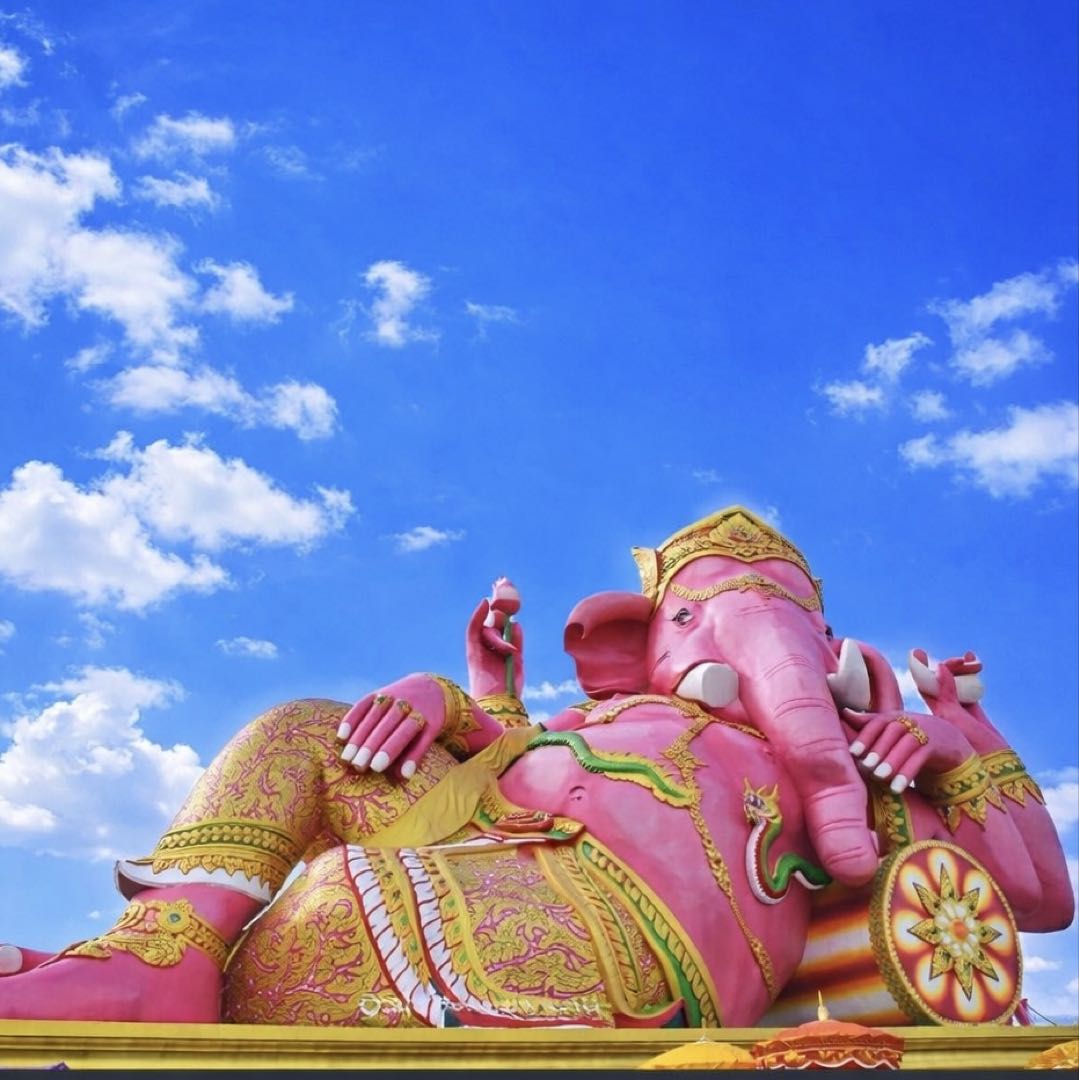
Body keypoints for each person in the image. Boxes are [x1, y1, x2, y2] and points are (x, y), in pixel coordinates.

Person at [0, 508, 1071, 1028]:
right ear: (637, 641)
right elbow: (512, 766)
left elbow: (1040, 899)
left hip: (635, 929)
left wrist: (957, 738)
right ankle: (162, 955)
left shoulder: (864, 753)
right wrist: (458, 692)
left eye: (798, 627)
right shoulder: (610, 711)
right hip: (505, 845)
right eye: (695, 619)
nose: (765, 647)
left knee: (342, 908)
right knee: (301, 728)